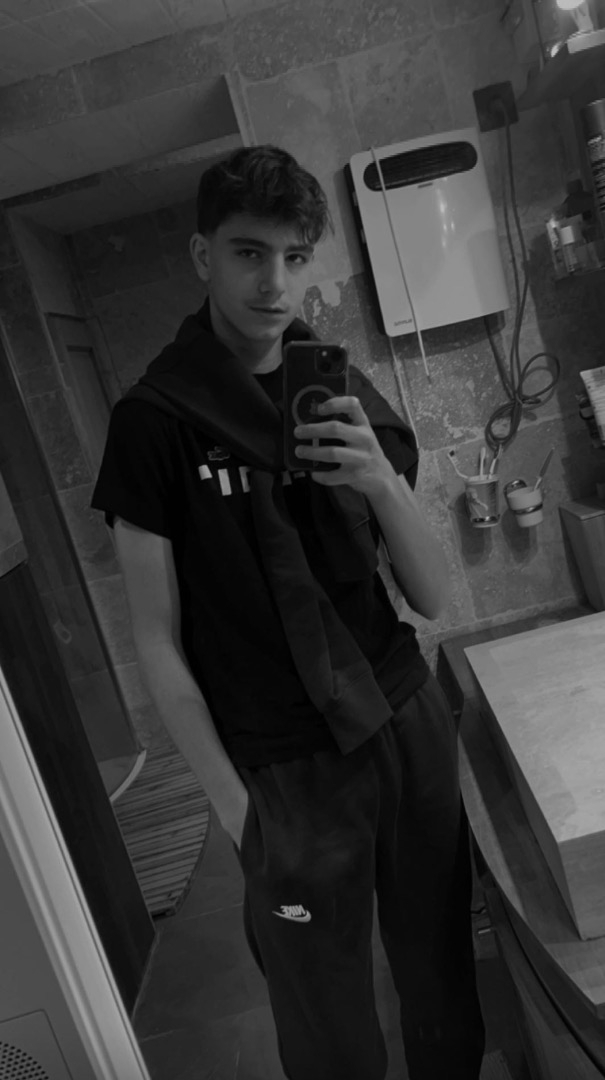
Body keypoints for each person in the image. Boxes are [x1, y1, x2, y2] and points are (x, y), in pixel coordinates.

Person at [91, 144, 485, 1080]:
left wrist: (380, 481)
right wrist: (234, 810)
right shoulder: (154, 421)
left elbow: (430, 597)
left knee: (441, 974)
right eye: (248, 253)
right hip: (282, 767)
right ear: (203, 256)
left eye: (295, 256)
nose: (274, 283)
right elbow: (154, 638)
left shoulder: (341, 391)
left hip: (402, 720)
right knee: (325, 1023)